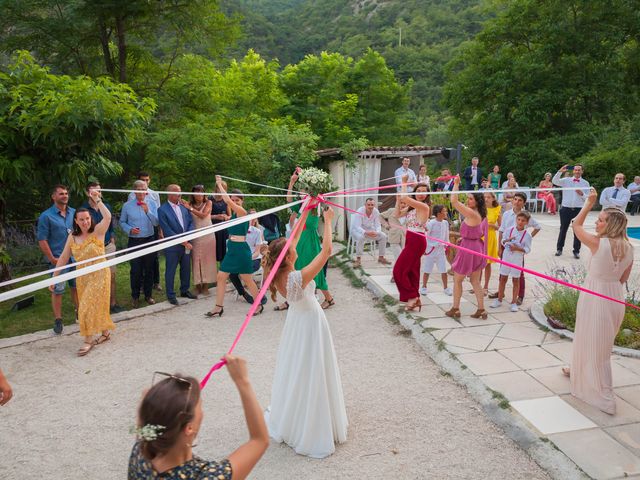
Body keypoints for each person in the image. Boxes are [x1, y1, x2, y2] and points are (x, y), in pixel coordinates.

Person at [263, 205, 348, 459]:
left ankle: (294, 416)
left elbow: (295, 237)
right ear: (288, 257)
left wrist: (306, 209)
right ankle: (311, 424)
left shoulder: (279, 273)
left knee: (297, 368)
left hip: (295, 323)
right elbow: (327, 251)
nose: (296, 249)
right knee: (312, 368)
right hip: (310, 322)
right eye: (292, 251)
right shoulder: (296, 277)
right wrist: (329, 221)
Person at [128, 355, 269, 479]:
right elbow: (259, 440)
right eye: (200, 405)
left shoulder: (141, 449)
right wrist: (242, 381)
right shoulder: (207, 476)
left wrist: (157, 399)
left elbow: (145, 417)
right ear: (189, 428)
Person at [563, 190, 634, 415]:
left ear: (610, 225)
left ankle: (603, 394)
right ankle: (577, 370)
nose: (597, 222)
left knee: (589, 338)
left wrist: (589, 203)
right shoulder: (630, 248)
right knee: (600, 344)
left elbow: (575, 226)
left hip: (595, 294)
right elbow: (623, 279)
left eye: (601, 220)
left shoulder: (597, 244)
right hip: (614, 297)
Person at [50, 188, 116, 356]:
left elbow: (108, 217)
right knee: (92, 304)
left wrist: (97, 199)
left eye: (87, 218)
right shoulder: (72, 237)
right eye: (82, 220)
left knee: (87, 306)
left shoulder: (98, 231)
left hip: (100, 273)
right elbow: (64, 258)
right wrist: (54, 277)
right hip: (83, 277)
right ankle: (105, 333)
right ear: (76, 221)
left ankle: (88, 341)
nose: (86, 222)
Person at [206, 178, 263, 317]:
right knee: (221, 276)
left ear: (242, 201)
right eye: (234, 200)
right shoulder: (233, 216)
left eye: (237, 200)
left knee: (247, 278)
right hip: (232, 249)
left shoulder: (242, 212)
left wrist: (219, 184)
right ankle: (218, 307)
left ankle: (259, 305)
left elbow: (227, 201)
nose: (235, 202)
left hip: (241, 250)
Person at [284, 171, 335, 310]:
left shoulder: (318, 203)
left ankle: (329, 298)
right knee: (298, 267)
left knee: (315, 269)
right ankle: (292, 299)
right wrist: (292, 181)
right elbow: (288, 200)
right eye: (300, 190)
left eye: (304, 190)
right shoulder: (301, 205)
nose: (301, 192)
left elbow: (327, 210)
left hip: (311, 241)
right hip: (300, 240)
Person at [37, 184, 78, 334]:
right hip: (58, 260)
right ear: (53, 197)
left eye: (66, 193)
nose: (65, 195)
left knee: (76, 287)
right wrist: (52, 258)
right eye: (61, 193)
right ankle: (58, 320)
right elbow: (42, 240)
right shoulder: (46, 216)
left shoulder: (74, 213)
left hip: (75, 258)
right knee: (57, 290)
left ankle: (79, 313)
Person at [446, 176, 488, 320]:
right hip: (475, 246)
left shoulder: (472, 213)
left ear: (477, 201)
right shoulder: (481, 214)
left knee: (457, 280)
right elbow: (476, 231)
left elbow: (453, 201)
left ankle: (456, 309)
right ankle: (481, 309)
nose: (468, 200)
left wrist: (456, 184)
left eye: (471, 199)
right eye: (468, 198)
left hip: (469, 250)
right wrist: (463, 237)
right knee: (475, 281)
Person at [489, 192, 541, 304]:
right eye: (515, 199)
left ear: (524, 203)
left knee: (519, 272)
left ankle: (520, 295)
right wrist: (500, 247)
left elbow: (537, 227)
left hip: (518, 250)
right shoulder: (507, 214)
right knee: (503, 271)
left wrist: (527, 238)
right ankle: (500, 292)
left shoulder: (526, 216)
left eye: (520, 200)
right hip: (506, 247)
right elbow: (502, 230)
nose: (517, 202)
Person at [82, 181, 123, 314]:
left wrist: (112, 239)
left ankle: (113, 303)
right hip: (93, 249)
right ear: (88, 192)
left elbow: (110, 226)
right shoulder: (83, 210)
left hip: (108, 246)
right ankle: (99, 305)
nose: (97, 193)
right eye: (94, 191)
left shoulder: (107, 206)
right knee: (95, 278)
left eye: (99, 190)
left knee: (111, 275)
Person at [120, 180, 159, 308]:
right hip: (135, 241)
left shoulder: (152, 204)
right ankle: (135, 296)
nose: (143, 191)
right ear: (135, 191)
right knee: (136, 270)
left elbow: (156, 223)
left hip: (149, 239)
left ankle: (148, 295)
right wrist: (129, 229)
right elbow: (122, 222)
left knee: (149, 269)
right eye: (140, 189)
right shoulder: (127, 206)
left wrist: (148, 211)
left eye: (145, 189)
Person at [393, 178, 430, 311]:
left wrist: (403, 182)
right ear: (414, 193)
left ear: (427, 195)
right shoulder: (412, 207)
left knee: (398, 270)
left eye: (423, 192)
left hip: (417, 240)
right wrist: (398, 201)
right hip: (410, 239)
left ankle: (412, 296)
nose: (420, 194)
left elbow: (404, 196)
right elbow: (396, 215)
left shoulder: (424, 206)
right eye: (418, 191)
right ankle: (415, 298)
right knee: (412, 271)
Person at [158, 185, 196, 306]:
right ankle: (171, 295)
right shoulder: (162, 210)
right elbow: (167, 230)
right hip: (173, 245)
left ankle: (185, 290)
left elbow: (191, 222)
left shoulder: (184, 207)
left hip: (187, 243)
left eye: (180, 192)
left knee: (186, 268)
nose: (180, 194)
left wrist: (188, 238)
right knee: (171, 270)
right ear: (169, 193)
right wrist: (182, 241)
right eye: (176, 192)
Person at [490, 211, 532, 312]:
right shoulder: (509, 230)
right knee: (503, 278)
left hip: (517, 259)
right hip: (507, 257)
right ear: (516, 219)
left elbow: (528, 249)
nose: (520, 222)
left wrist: (517, 248)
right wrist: (508, 240)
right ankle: (499, 299)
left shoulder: (527, 235)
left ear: (527, 222)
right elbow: (502, 241)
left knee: (516, 280)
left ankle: (513, 302)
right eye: (519, 219)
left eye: (523, 221)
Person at [128, 172, 162, 292]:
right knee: (137, 263)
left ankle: (155, 282)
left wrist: (160, 231)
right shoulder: (131, 196)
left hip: (152, 229)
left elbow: (158, 215)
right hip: (136, 233)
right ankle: (140, 286)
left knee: (153, 259)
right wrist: (130, 229)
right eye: (143, 180)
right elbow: (127, 215)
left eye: (147, 180)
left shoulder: (155, 195)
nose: (145, 182)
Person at [230, 209, 267, 305]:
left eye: (254, 217)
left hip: (254, 258)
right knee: (232, 274)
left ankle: (259, 294)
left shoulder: (257, 231)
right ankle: (244, 294)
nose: (252, 219)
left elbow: (257, 251)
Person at [553, 164, 590, 259]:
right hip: (566, 209)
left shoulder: (585, 183)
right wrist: (560, 171)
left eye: (579, 170)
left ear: (582, 171)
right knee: (563, 229)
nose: (577, 171)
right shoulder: (566, 180)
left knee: (577, 230)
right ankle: (559, 249)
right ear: (573, 171)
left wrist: (582, 194)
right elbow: (554, 181)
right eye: (576, 170)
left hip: (578, 209)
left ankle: (576, 251)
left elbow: (588, 198)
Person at [186, 185, 217, 296]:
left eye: (201, 192)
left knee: (208, 259)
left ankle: (206, 285)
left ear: (204, 193)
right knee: (195, 259)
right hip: (195, 235)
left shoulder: (208, 203)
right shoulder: (189, 204)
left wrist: (189, 208)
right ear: (193, 194)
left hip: (208, 235)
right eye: (196, 192)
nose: (199, 194)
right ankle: (197, 285)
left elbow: (204, 215)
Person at [420, 205, 451, 296]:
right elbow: (426, 236)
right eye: (444, 211)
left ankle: (446, 288)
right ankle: (424, 287)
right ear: (438, 214)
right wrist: (425, 248)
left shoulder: (445, 223)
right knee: (427, 269)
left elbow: (446, 235)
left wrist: (447, 245)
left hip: (441, 250)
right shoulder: (431, 223)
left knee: (443, 269)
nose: (446, 213)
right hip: (431, 250)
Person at [350, 198, 390, 268]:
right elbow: (357, 226)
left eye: (372, 205)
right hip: (356, 230)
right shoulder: (360, 211)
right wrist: (366, 232)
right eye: (368, 205)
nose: (370, 206)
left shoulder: (376, 211)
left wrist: (377, 232)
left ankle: (381, 257)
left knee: (383, 236)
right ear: (365, 205)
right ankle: (358, 260)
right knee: (361, 237)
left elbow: (378, 224)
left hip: (369, 230)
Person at [482, 191, 502, 296]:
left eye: (488, 197)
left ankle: (485, 286)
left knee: (487, 263)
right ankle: (477, 284)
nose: (486, 199)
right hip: (480, 236)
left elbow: (501, 227)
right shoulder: (480, 208)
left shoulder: (497, 209)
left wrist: (493, 227)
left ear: (493, 198)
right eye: (485, 197)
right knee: (478, 262)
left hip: (490, 236)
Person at [380, 199, 407, 265]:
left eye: (405, 203)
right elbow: (380, 216)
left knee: (402, 258)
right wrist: (386, 225)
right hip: (394, 236)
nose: (403, 205)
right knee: (399, 257)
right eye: (401, 203)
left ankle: (397, 274)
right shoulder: (391, 210)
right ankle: (396, 274)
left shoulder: (408, 212)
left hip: (404, 237)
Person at [210, 181, 231, 263]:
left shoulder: (227, 200)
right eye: (220, 188)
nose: (222, 190)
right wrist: (216, 216)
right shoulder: (210, 199)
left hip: (224, 230)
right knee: (213, 254)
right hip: (213, 229)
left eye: (224, 189)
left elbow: (230, 216)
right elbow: (205, 216)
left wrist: (227, 217)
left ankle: (223, 273)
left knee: (224, 253)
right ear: (216, 188)